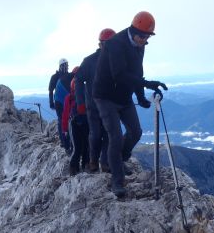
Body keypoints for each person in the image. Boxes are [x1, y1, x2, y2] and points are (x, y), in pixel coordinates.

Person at [92, 11, 168, 197]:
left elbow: (136, 72)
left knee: (136, 132)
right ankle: (117, 181)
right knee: (115, 137)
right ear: (133, 30)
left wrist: (141, 96)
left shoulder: (139, 45)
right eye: (142, 35)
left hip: (123, 96)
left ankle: (118, 160)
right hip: (105, 97)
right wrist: (147, 84)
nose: (144, 40)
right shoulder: (115, 45)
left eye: (147, 36)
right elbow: (119, 74)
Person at [74, 28, 115, 173]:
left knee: (109, 134)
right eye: (106, 43)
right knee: (96, 134)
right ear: (100, 44)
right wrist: (80, 103)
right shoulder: (90, 61)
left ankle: (104, 162)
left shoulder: (116, 60)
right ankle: (93, 161)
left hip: (110, 105)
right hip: (93, 106)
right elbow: (78, 80)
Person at [62, 78, 89, 175]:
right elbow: (65, 114)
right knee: (80, 147)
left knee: (83, 146)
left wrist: (65, 128)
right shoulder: (70, 98)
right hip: (77, 123)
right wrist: (65, 129)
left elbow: (65, 114)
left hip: (77, 123)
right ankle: (76, 165)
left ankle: (78, 166)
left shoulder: (70, 98)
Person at [48, 59, 71, 151]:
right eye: (64, 65)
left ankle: (68, 140)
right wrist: (51, 103)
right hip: (59, 102)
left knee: (67, 119)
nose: (66, 67)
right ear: (60, 66)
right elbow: (50, 90)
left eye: (66, 65)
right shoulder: (55, 77)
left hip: (68, 101)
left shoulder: (67, 76)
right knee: (61, 120)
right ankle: (63, 140)